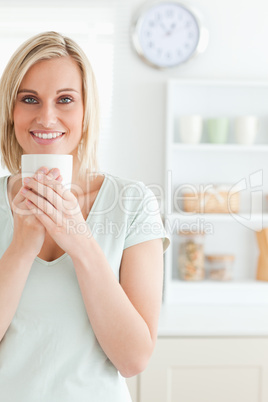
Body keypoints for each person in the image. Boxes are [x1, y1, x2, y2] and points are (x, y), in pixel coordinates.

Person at [0, 31, 169, 402]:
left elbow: (134, 359)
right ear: (10, 111)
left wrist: (80, 241)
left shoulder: (132, 202)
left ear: (86, 110)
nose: (47, 117)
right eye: (29, 99)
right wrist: (21, 248)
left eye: (65, 100)